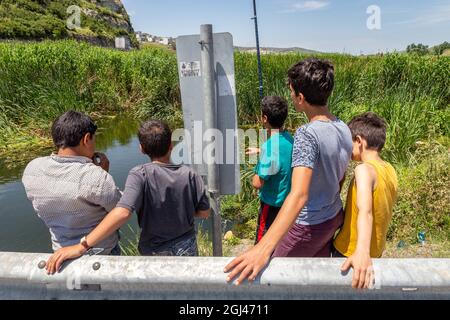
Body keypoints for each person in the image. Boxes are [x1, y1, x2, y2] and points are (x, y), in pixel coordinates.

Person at [224, 58, 353, 285]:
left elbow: (300, 194)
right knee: (314, 281)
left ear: (300, 98)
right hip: (332, 217)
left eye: (292, 92)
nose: (291, 96)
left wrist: (263, 248)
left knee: (270, 278)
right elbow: (339, 177)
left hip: (308, 224)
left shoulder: (307, 133)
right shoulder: (342, 127)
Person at [45, 120, 211, 273]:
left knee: (159, 291)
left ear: (141, 148)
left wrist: (82, 245)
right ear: (171, 146)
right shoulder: (190, 174)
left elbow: (123, 211)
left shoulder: (139, 174)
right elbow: (204, 213)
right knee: (188, 287)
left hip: (155, 250)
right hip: (187, 245)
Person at [22, 111, 122, 255]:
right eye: (94, 139)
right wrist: (103, 174)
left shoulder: (32, 169)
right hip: (100, 252)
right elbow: (120, 208)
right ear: (86, 139)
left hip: (60, 253)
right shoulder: (95, 176)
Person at [333, 112, 398, 289]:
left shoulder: (364, 170)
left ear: (359, 141)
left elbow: (366, 211)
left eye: (349, 142)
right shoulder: (389, 169)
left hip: (350, 251)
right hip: (374, 253)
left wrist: (361, 252)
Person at [247, 96, 294, 244]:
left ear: (265, 118)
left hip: (271, 205)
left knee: (263, 241)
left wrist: (259, 162)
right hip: (287, 204)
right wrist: (261, 150)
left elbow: (257, 183)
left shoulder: (269, 147)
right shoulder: (290, 139)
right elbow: (280, 154)